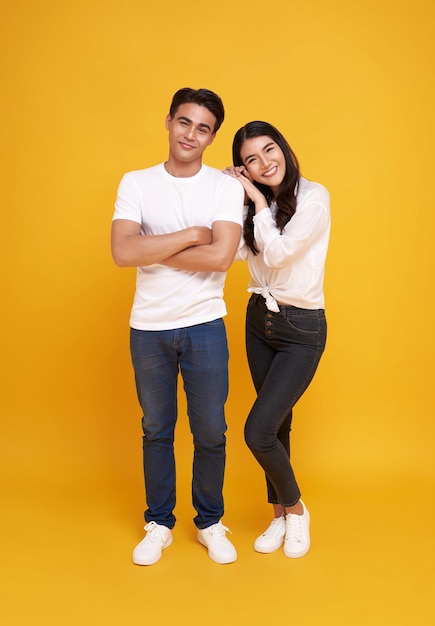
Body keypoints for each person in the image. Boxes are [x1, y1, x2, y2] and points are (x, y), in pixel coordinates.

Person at [111, 88, 244, 565]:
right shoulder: (137, 182)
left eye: (203, 128)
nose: (191, 134)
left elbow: (223, 257)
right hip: (147, 326)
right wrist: (191, 235)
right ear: (169, 122)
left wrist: (155, 245)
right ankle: (159, 523)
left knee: (210, 430)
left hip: (205, 324)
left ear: (212, 137)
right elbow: (123, 252)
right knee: (156, 429)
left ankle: (209, 521)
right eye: (185, 122)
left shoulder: (224, 188)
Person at [224, 121, 330, 558]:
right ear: (244, 166)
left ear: (283, 148)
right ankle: (279, 517)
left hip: (302, 328)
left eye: (270, 150)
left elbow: (281, 254)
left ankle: (297, 509)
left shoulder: (314, 197)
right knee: (279, 426)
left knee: (258, 430)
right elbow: (234, 254)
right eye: (252, 158)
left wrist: (255, 200)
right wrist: (233, 201)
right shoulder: (257, 207)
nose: (266, 163)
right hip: (258, 322)